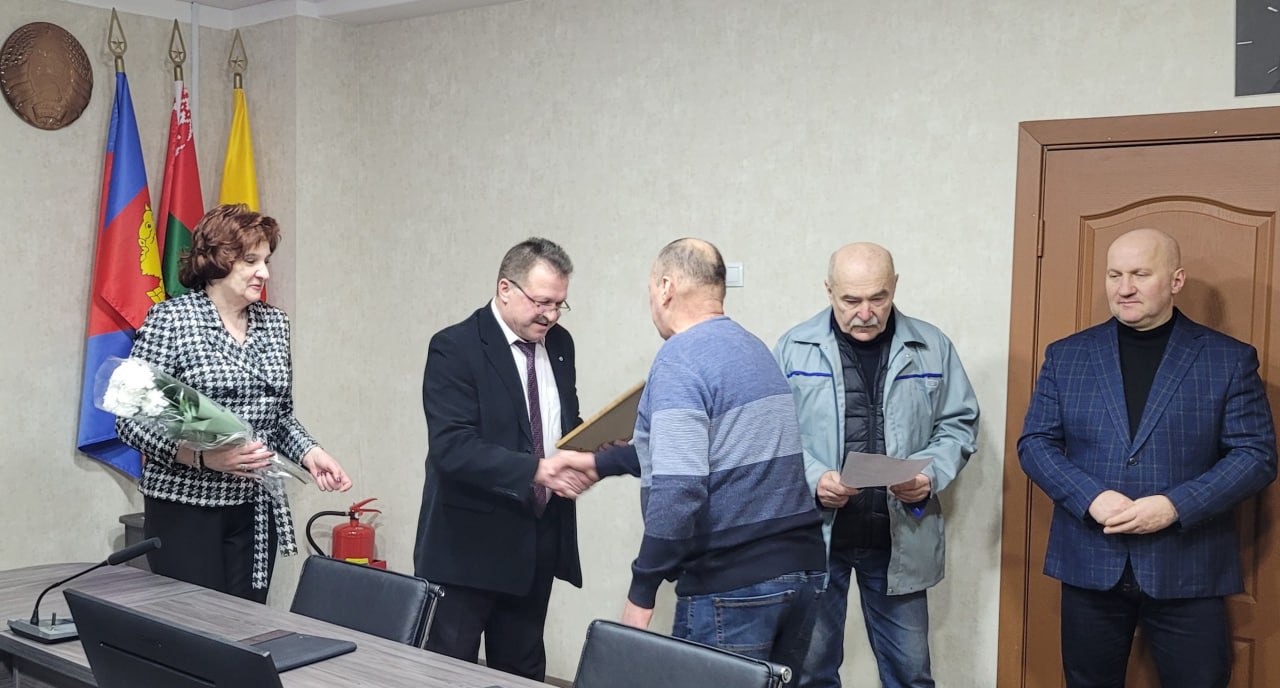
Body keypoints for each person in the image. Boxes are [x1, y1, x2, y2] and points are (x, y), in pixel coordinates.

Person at [1018, 228, 1277, 688]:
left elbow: (1255, 455)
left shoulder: (1228, 359)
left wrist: (1175, 506)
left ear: (1176, 281)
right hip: (1090, 561)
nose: (1124, 288)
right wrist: (1091, 498)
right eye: (1114, 274)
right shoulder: (1066, 356)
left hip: (1188, 566)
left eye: (1140, 274)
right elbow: (1035, 442)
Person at [597, 237, 826, 682]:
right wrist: (599, 464)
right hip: (802, 574)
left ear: (666, 287)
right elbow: (720, 453)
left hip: (733, 584)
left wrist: (642, 591)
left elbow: (680, 486)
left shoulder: (679, 358)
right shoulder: (753, 349)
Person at [117, 203, 353, 603]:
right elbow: (130, 420)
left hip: (255, 508)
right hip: (187, 509)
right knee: (196, 626)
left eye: (266, 261)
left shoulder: (275, 325)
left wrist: (312, 453)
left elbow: (279, 416)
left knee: (248, 626)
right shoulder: (171, 320)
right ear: (217, 260)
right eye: (250, 261)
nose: (264, 272)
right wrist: (201, 458)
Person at [773, 242, 979, 688]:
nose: (865, 313)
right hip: (817, 537)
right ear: (829, 290)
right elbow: (775, 434)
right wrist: (814, 479)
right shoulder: (793, 348)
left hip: (898, 537)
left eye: (878, 298)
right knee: (811, 674)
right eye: (851, 300)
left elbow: (958, 425)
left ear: (895, 287)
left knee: (910, 675)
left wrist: (928, 476)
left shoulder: (932, 347)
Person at [412, 237, 595, 682]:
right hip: (467, 550)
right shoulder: (455, 347)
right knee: (446, 675)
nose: (551, 315)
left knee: (522, 673)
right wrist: (538, 469)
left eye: (559, 304)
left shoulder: (560, 344)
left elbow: (558, 424)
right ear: (505, 289)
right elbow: (452, 448)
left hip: (536, 544)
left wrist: (591, 448)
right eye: (542, 302)